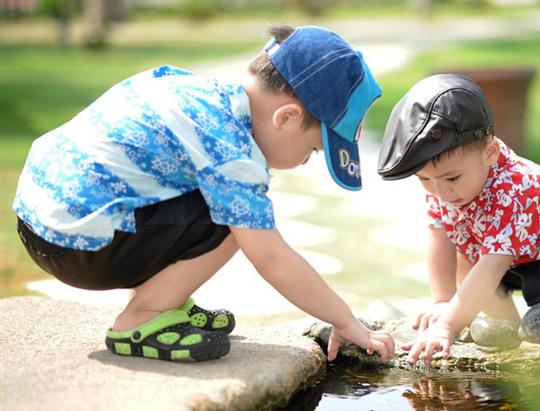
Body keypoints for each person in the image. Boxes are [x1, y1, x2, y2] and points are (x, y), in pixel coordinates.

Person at [14, 24, 394, 363]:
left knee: (218, 200)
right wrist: (345, 320)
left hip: (41, 221)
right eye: (313, 151)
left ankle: (165, 301)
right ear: (287, 118)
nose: (303, 162)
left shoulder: (196, 91)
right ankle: (142, 318)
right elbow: (271, 258)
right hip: (79, 246)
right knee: (239, 219)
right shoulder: (231, 150)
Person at [377, 74, 540, 366]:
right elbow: (439, 236)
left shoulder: (516, 188)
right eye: (424, 180)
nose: (440, 191)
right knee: (467, 261)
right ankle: (508, 336)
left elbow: (494, 264)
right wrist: (443, 300)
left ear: (490, 153)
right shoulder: (446, 184)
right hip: (520, 254)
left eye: (452, 178)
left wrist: (448, 326)